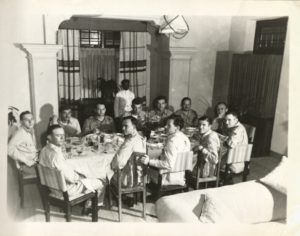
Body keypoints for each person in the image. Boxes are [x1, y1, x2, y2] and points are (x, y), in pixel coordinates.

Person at [39, 125, 106, 208]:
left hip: (51, 187)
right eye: (58, 136)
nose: (62, 138)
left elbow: (57, 167)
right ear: (49, 137)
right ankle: (92, 206)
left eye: (63, 135)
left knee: (82, 172)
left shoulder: (44, 150)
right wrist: (82, 177)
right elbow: (71, 178)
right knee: (102, 180)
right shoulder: (56, 154)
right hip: (65, 190)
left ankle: (88, 202)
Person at [141, 114, 191, 186]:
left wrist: (149, 161)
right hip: (180, 176)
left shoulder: (172, 141)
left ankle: (140, 193)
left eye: (169, 125)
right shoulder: (185, 138)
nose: (165, 126)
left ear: (177, 128)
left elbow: (168, 164)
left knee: (143, 168)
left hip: (167, 178)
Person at [109, 116, 147, 206]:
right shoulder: (141, 138)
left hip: (129, 180)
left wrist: (111, 165)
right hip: (141, 177)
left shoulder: (129, 141)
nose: (123, 128)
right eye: (122, 126)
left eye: (126, 126)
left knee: (104, 171)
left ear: (134, 126)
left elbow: (118, 164)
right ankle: (129, 196)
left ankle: (95, 202)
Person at [8, 111, 39, 176]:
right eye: (26, 120)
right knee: (48, 176)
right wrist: (26, 161)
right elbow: (9, 149)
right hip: (26, 166)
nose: (30, 122)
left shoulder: (31, 130)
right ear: (21, 122)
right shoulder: (20, 133)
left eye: (31, 119)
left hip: (34, 163)